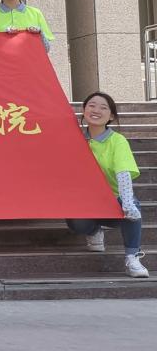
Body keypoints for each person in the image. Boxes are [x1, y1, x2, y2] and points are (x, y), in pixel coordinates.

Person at [66, 92, 148, 278]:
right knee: (76, 222)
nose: (96, 110)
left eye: (103, 107)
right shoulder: (74, 139)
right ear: (83, 110)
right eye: (91, 105)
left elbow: (123, 173)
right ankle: (94, 231)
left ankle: (132, 257)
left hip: (113, 201)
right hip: (85, 203)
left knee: (132, 205)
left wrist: (127, 203)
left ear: (111, 116)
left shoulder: (117, 141)